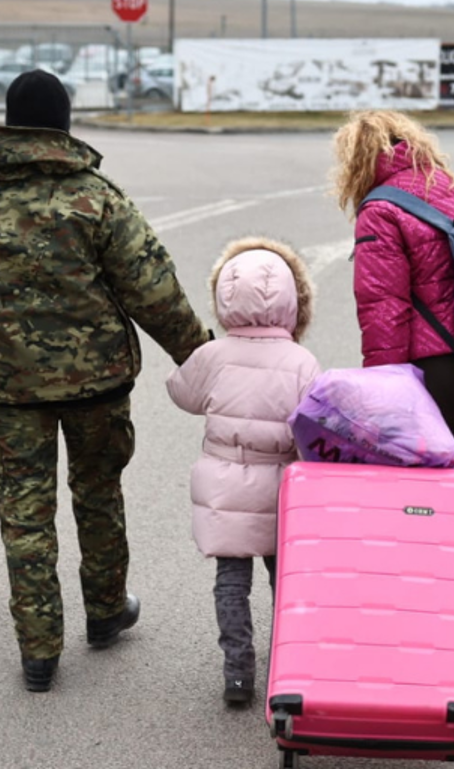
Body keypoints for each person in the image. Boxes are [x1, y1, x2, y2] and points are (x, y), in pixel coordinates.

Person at [0, 69, 209, 693]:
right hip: (97, 385)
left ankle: (39, 652)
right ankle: (104, 614)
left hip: (9, 390)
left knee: (25, 516)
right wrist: (202, 358)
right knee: (98, 494)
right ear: (64, 125)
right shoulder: (97, 198)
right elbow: (153, 292)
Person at [165, 238, 320, 705]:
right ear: (294, 300)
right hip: (281, 490)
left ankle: (237, 673)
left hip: (224, 486)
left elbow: (183, 395)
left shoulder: (213, 357)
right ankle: (290, 666)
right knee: (285, 581)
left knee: (232, 583)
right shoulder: (301, 362)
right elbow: (315, 426)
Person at [334, 110, 454, 475]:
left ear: (358, 161)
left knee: (424, 503)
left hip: (435, 378)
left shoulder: (380, 209)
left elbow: (384, 310)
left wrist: (382, 396)